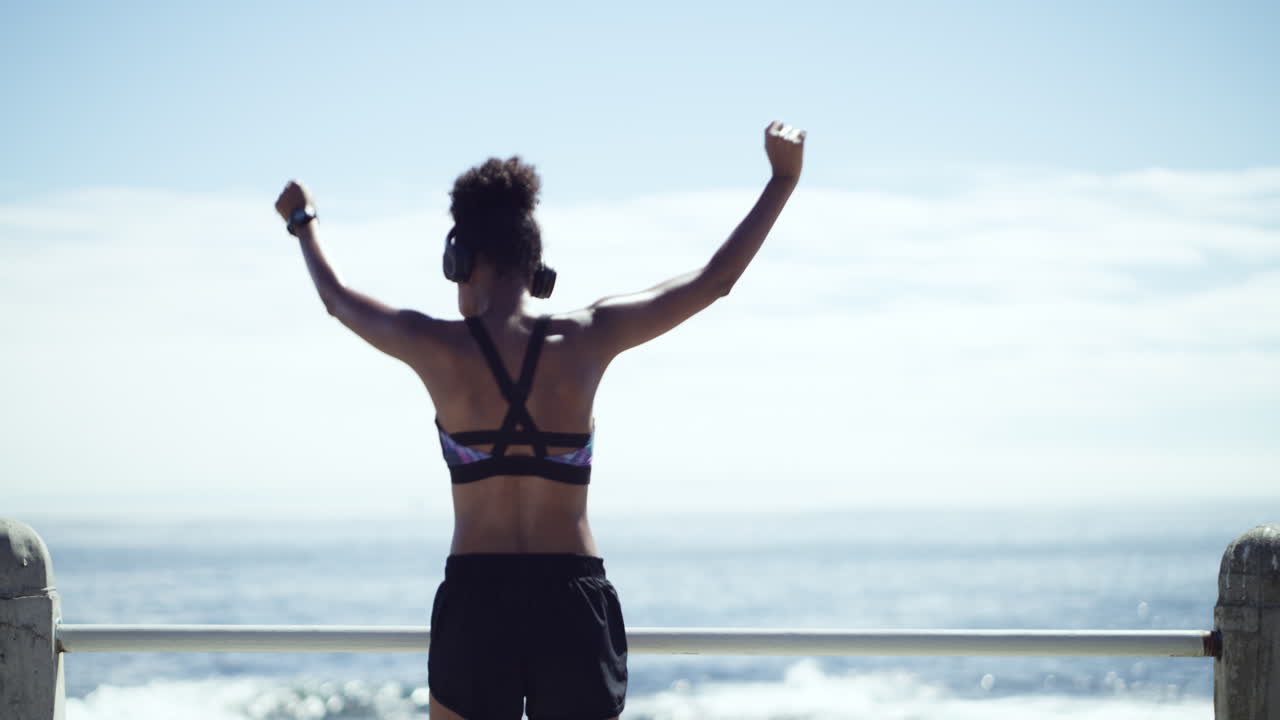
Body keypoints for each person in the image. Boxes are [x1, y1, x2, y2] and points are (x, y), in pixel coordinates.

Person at [274, 120, 806, 720]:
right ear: (537, 267)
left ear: (461, 260)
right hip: (571, 600)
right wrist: (782, 180)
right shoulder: (587, 336)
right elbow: (715, 281)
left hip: (477, 599)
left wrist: (304, 221)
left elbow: (337, 299)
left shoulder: (437, 347)